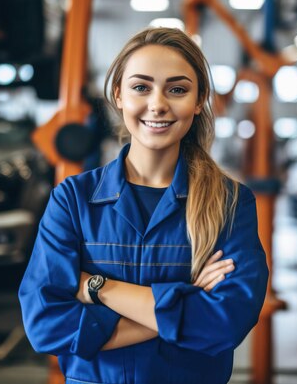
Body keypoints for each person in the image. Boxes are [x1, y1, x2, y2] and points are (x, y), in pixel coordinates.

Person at [19, 27, 269, 384]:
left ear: (199, 101)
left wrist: (97, 287)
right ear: (118, 94)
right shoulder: (74, 199)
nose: (158, 104)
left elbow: (225, 325)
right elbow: (46, 326)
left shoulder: (229, 203)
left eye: (178, 89)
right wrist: (189, 299)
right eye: (141, 87)